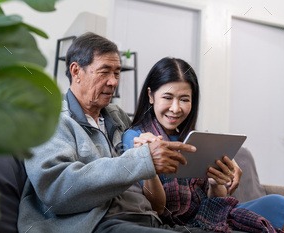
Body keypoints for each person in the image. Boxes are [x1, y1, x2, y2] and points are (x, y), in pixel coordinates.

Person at [17, 32, 248, 233]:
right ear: (76, 71)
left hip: (146, 220)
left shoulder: (116, 117)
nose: (113, 82)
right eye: (104, 72)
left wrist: (216, 160)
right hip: (98, 223)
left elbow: (154, 148)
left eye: (117, 73)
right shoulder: (50, 121)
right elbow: (57, 191)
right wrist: (142, 159)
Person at [122, 57, 284, 233]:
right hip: (179, 223)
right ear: (151, 95)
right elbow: (158, 208)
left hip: (212, 214)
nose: (176, 108)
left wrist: (215, 181)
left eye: (184, 99)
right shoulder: (136, 138)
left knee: (282, 206)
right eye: (168, 97)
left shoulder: (196, 139)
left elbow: (217, 200)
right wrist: (147, 162)